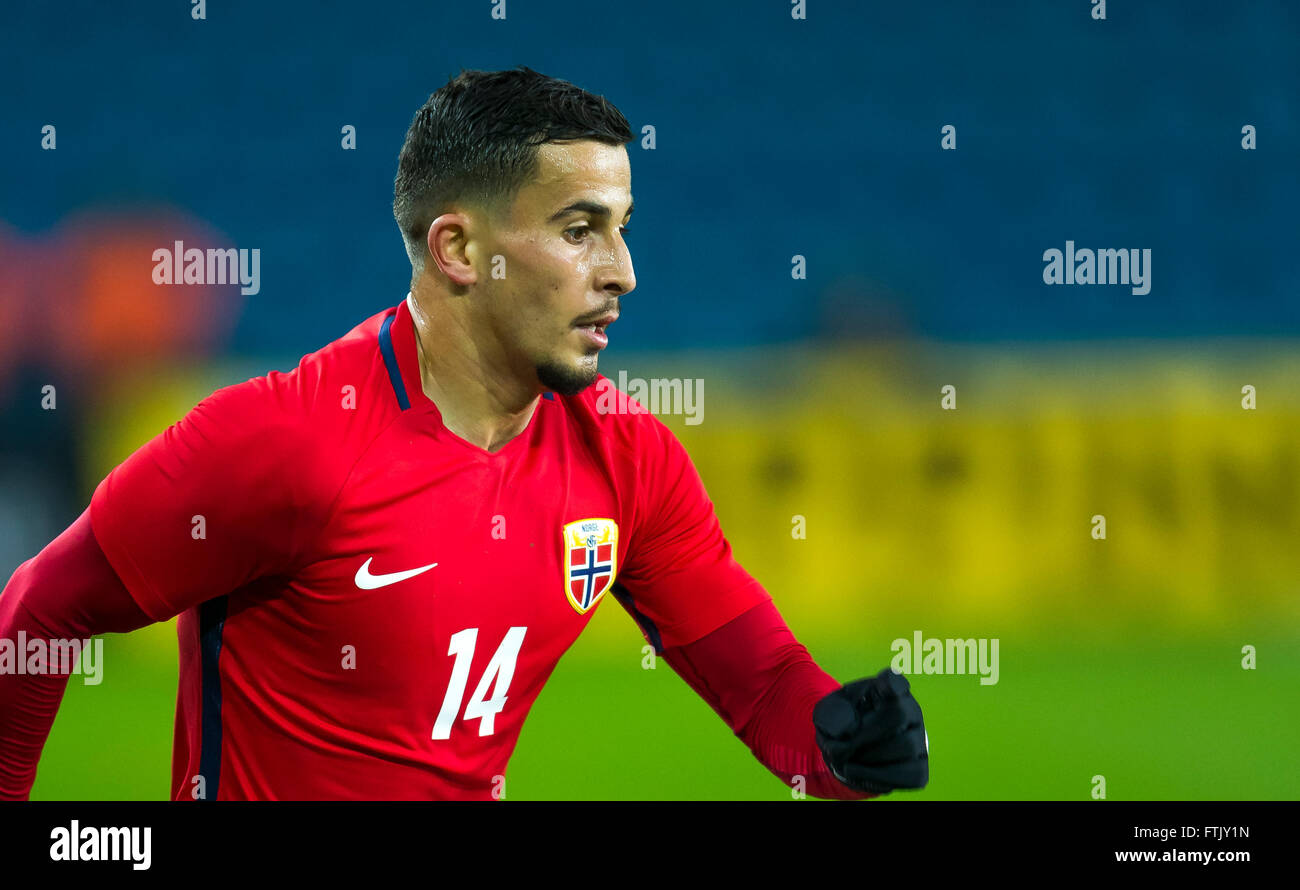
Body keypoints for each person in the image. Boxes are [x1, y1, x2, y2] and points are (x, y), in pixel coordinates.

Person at [0, 66, 928, 801]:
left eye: (623, 229)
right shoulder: (283, 442)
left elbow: (765, 685)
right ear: (456, 252)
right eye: (580, 231)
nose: (624, 273)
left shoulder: (628, 459)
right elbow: (40, 611)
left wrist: (849, 753)